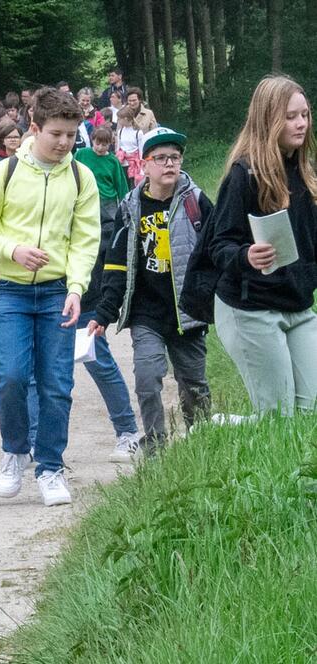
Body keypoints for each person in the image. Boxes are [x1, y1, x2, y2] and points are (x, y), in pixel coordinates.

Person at [0, 87, 101, 507]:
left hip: (58, 291)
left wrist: (77, 288)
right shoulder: (5, 173)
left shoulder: (81, 177)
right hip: (11, 291)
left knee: (57, 383)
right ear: (35, 128)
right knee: (10, 375)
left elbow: (85, 240)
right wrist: (13, 250)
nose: (63, 143)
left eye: (71, 135)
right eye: (56, 134)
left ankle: (50, 467)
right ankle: (14, 451)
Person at [89, 127, 213, 453]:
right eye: (160, 158)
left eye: (174, 157)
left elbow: (217, 252)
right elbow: (115, 265)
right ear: (145, 164)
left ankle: (202, 445)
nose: (169, 164)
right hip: (147, 314)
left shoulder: (196, 201)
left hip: (188, 312)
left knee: (195, 386)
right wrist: (104, 312)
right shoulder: (130, 207)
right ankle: (155, 448)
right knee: (146, 378)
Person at [205, 75, 317, 415]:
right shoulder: (244, 174)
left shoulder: (305, 172)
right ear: (268, 119)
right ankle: (219, 428)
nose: (301, 124)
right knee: (277, 414)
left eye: (305, 114)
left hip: (297, 302)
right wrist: (245, 254)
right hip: (250, 307)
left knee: (310, 410)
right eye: (290, 116)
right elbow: (218, 244)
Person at [63, 124, 143, 461]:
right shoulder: (38, 177)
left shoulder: (84, 175)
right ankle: (38, 442)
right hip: (47, 284)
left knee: (96, 357)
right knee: (43, 369)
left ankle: (127, 431)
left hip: (87, 281)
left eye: (68, 135)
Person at [116, 106, 145, 184]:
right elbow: (119, 148)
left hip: (134, 165)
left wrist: (142, 168)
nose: (118, 121)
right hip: (122, 163)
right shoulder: (120, 131)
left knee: (132, 185)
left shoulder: (138, 132)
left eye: (119, 119)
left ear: (125, 118)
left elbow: (141, 151)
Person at [74, 87, 107, 151]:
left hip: (92, 145)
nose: (85, 103)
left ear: (91, 100)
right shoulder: (73, 111)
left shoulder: (97, 114)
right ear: (78, 99)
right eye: (83, 100)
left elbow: (102, 129)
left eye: (87, 101)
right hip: (76, 144)